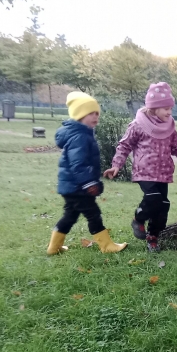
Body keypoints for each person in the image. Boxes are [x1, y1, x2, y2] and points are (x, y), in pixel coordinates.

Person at [104, 82, 177, 252]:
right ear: (153, 109)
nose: (169, 112)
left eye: (171, 108)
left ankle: (153, 237)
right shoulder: (138, 125)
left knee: (163, 205)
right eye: (166, 108)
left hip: (163, 173)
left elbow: (176, 147)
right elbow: (124, 145)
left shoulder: (169, 127)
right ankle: (138, 219)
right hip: (144, 171)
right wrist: (116, 165)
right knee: (153, 198)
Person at [47, 92, 127, 255]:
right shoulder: (80, 136)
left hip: (71, 186)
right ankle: (106, 246)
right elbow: (78, 164)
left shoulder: (80, 133)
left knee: (70, 216)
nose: (95, 116)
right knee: (93, 214)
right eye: (91, 113)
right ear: (79, 115)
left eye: (97, 113)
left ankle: (54, 247)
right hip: (78, 187)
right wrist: (88, 183)